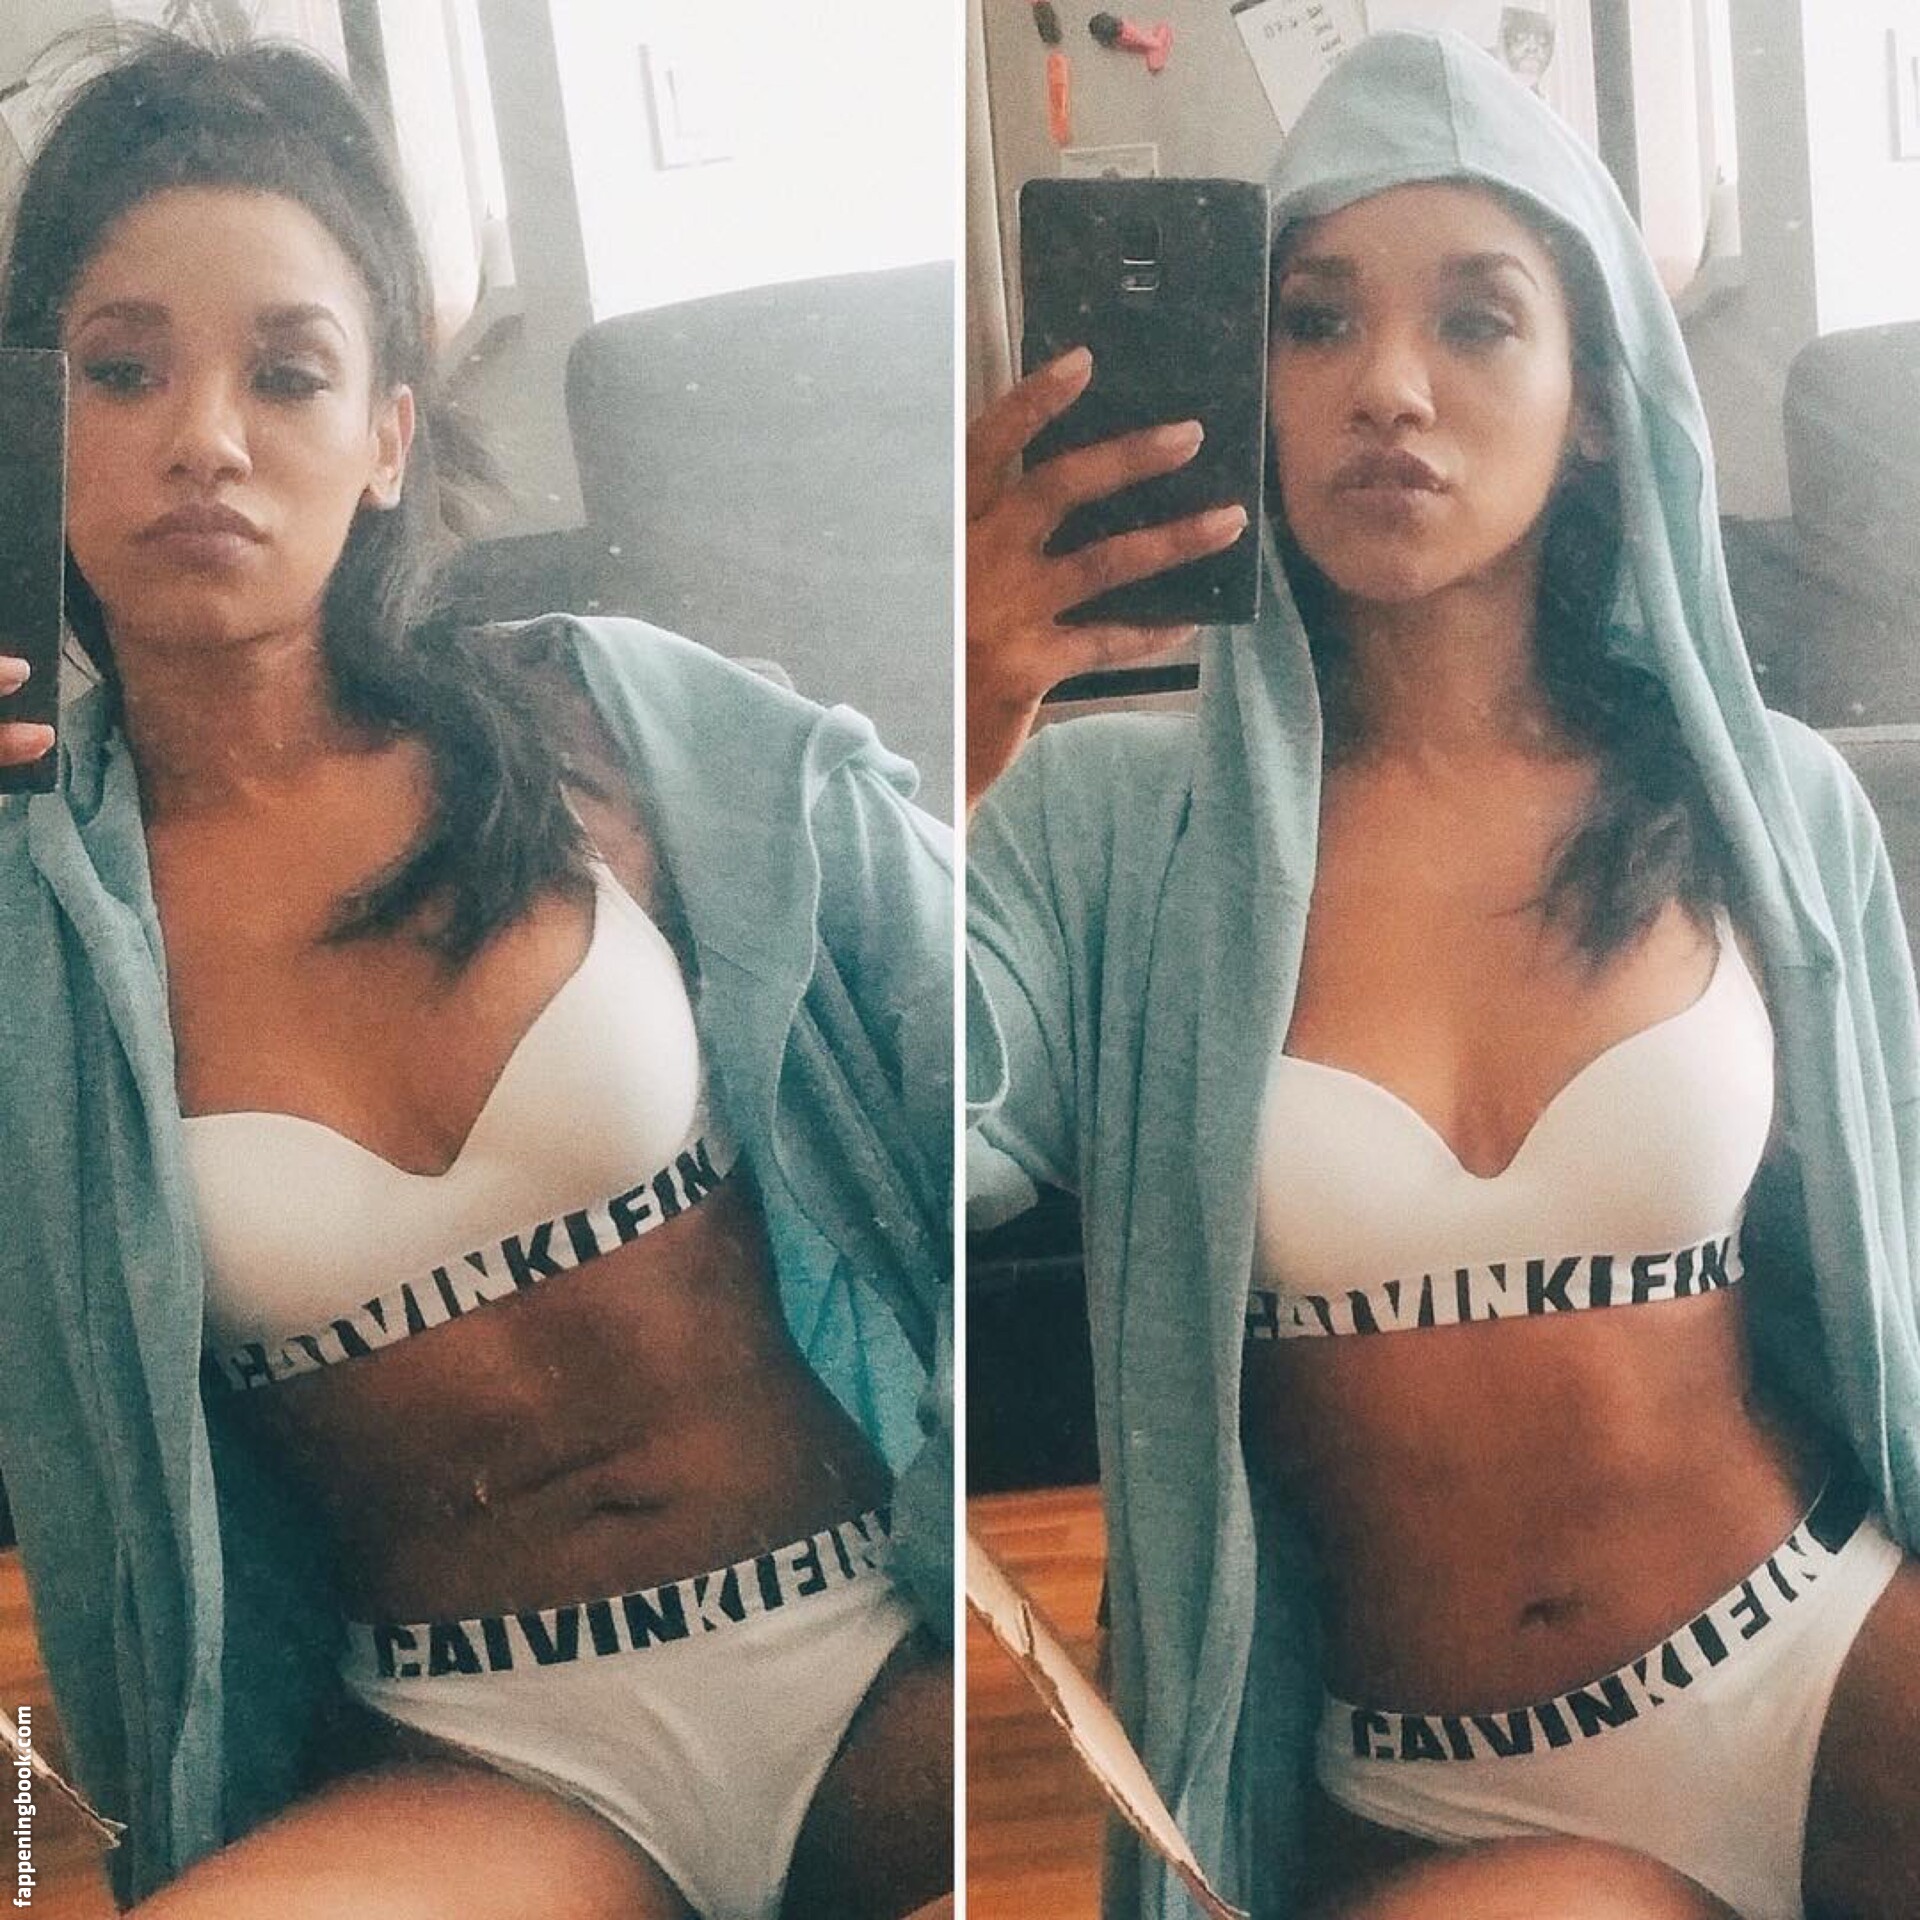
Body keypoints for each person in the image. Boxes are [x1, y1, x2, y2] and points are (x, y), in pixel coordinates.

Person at [967, 27, 1920, 1920]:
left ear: (1595, 404)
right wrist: (963, 736)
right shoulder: (1099, 827)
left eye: (1478, 321)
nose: (1386, 386)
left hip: (1828, 1660)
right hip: (1442, 1794)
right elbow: (873, 1153)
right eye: (1314, 321)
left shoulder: (1764, 802)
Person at [0, 28, 952, 1920]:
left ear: (388, 439)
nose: (205, 437)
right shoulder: (35, 933)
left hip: (879, 1662)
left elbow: (1009, 1053)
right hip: (487, 1765)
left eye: (289, 372)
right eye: (122, 369)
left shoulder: (621, 729)